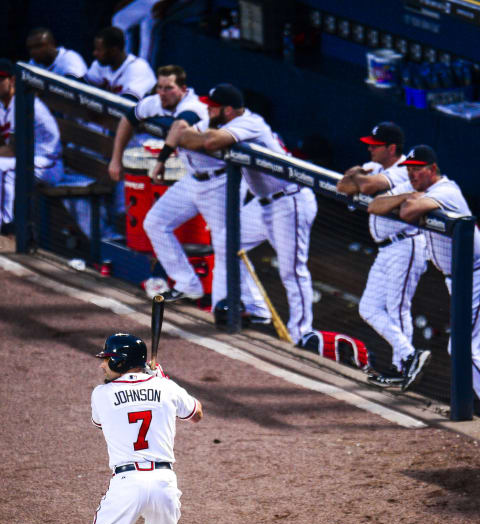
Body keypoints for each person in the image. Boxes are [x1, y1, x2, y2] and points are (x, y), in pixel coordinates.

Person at [72, 332, 202, 524]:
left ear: (119, 361)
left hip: (127, 483)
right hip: (163, 482)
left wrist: (148, 382)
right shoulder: (166, 386)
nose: (103, 364)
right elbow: (196, 412)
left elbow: (105, 420)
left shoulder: (101, 396)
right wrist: (161, 379)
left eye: (107, 359)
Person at [109, 69, 269, 317]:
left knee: (226, 245)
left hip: (221, 184)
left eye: (169, 88)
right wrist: (116, 159)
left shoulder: (194, 107)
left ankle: (249, 307)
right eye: (160, 88)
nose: (163, 94)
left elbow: (182, 128)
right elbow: (131, 118)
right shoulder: (165, 104)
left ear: (183, 89)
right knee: (155, 222)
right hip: (192, 180)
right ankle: (187, 284)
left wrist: (164, 157)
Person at [175, 83, 319, 347]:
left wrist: (200, 138)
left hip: (291, 201)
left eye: (214, 107)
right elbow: (182, 138)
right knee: (226, 240)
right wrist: (198, 137)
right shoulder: (225, 121)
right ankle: (250, 307)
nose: (208, 110)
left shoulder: (251, 123)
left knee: (292, 271)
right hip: (264, 203)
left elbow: (209, 141)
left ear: (228, 110)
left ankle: (301, 334)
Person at [370, 144, 480, 398]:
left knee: (462, 348)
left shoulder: (446, 190)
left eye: (417, 170)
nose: (411, 176)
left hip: (474, 278)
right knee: (467, 348)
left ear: (432, 169)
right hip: (460, 279)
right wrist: (407, 196)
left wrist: (409, 200)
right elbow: (375, 205)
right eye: (409, 170)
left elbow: (408, 212)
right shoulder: (421, 190)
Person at [337, 122, 430, 390]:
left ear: (391, 149)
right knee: (369, 307)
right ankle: (409, 357)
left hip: (406, 245)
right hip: (386, 248)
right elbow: (344, 186)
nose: (369, 148)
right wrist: (357, 175)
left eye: (375, 146)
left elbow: (365, 187)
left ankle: (403, 367)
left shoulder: (404, 172)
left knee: (397, 308)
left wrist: (359, 178)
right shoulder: (377, 168)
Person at [0, 59, 63, 235]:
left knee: (3, 170)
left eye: (0, 80)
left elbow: (13, 150)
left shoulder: (24, 103)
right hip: (27, 161)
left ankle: (6, 224)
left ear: (12, 80)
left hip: (48, 163)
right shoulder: (3, 105)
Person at [85, 26, 156, 101]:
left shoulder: (139, 68)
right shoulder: (99, 65)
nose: (94, 53)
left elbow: (129, 103)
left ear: (113, 51)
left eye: (99, 50)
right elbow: (82, 87)